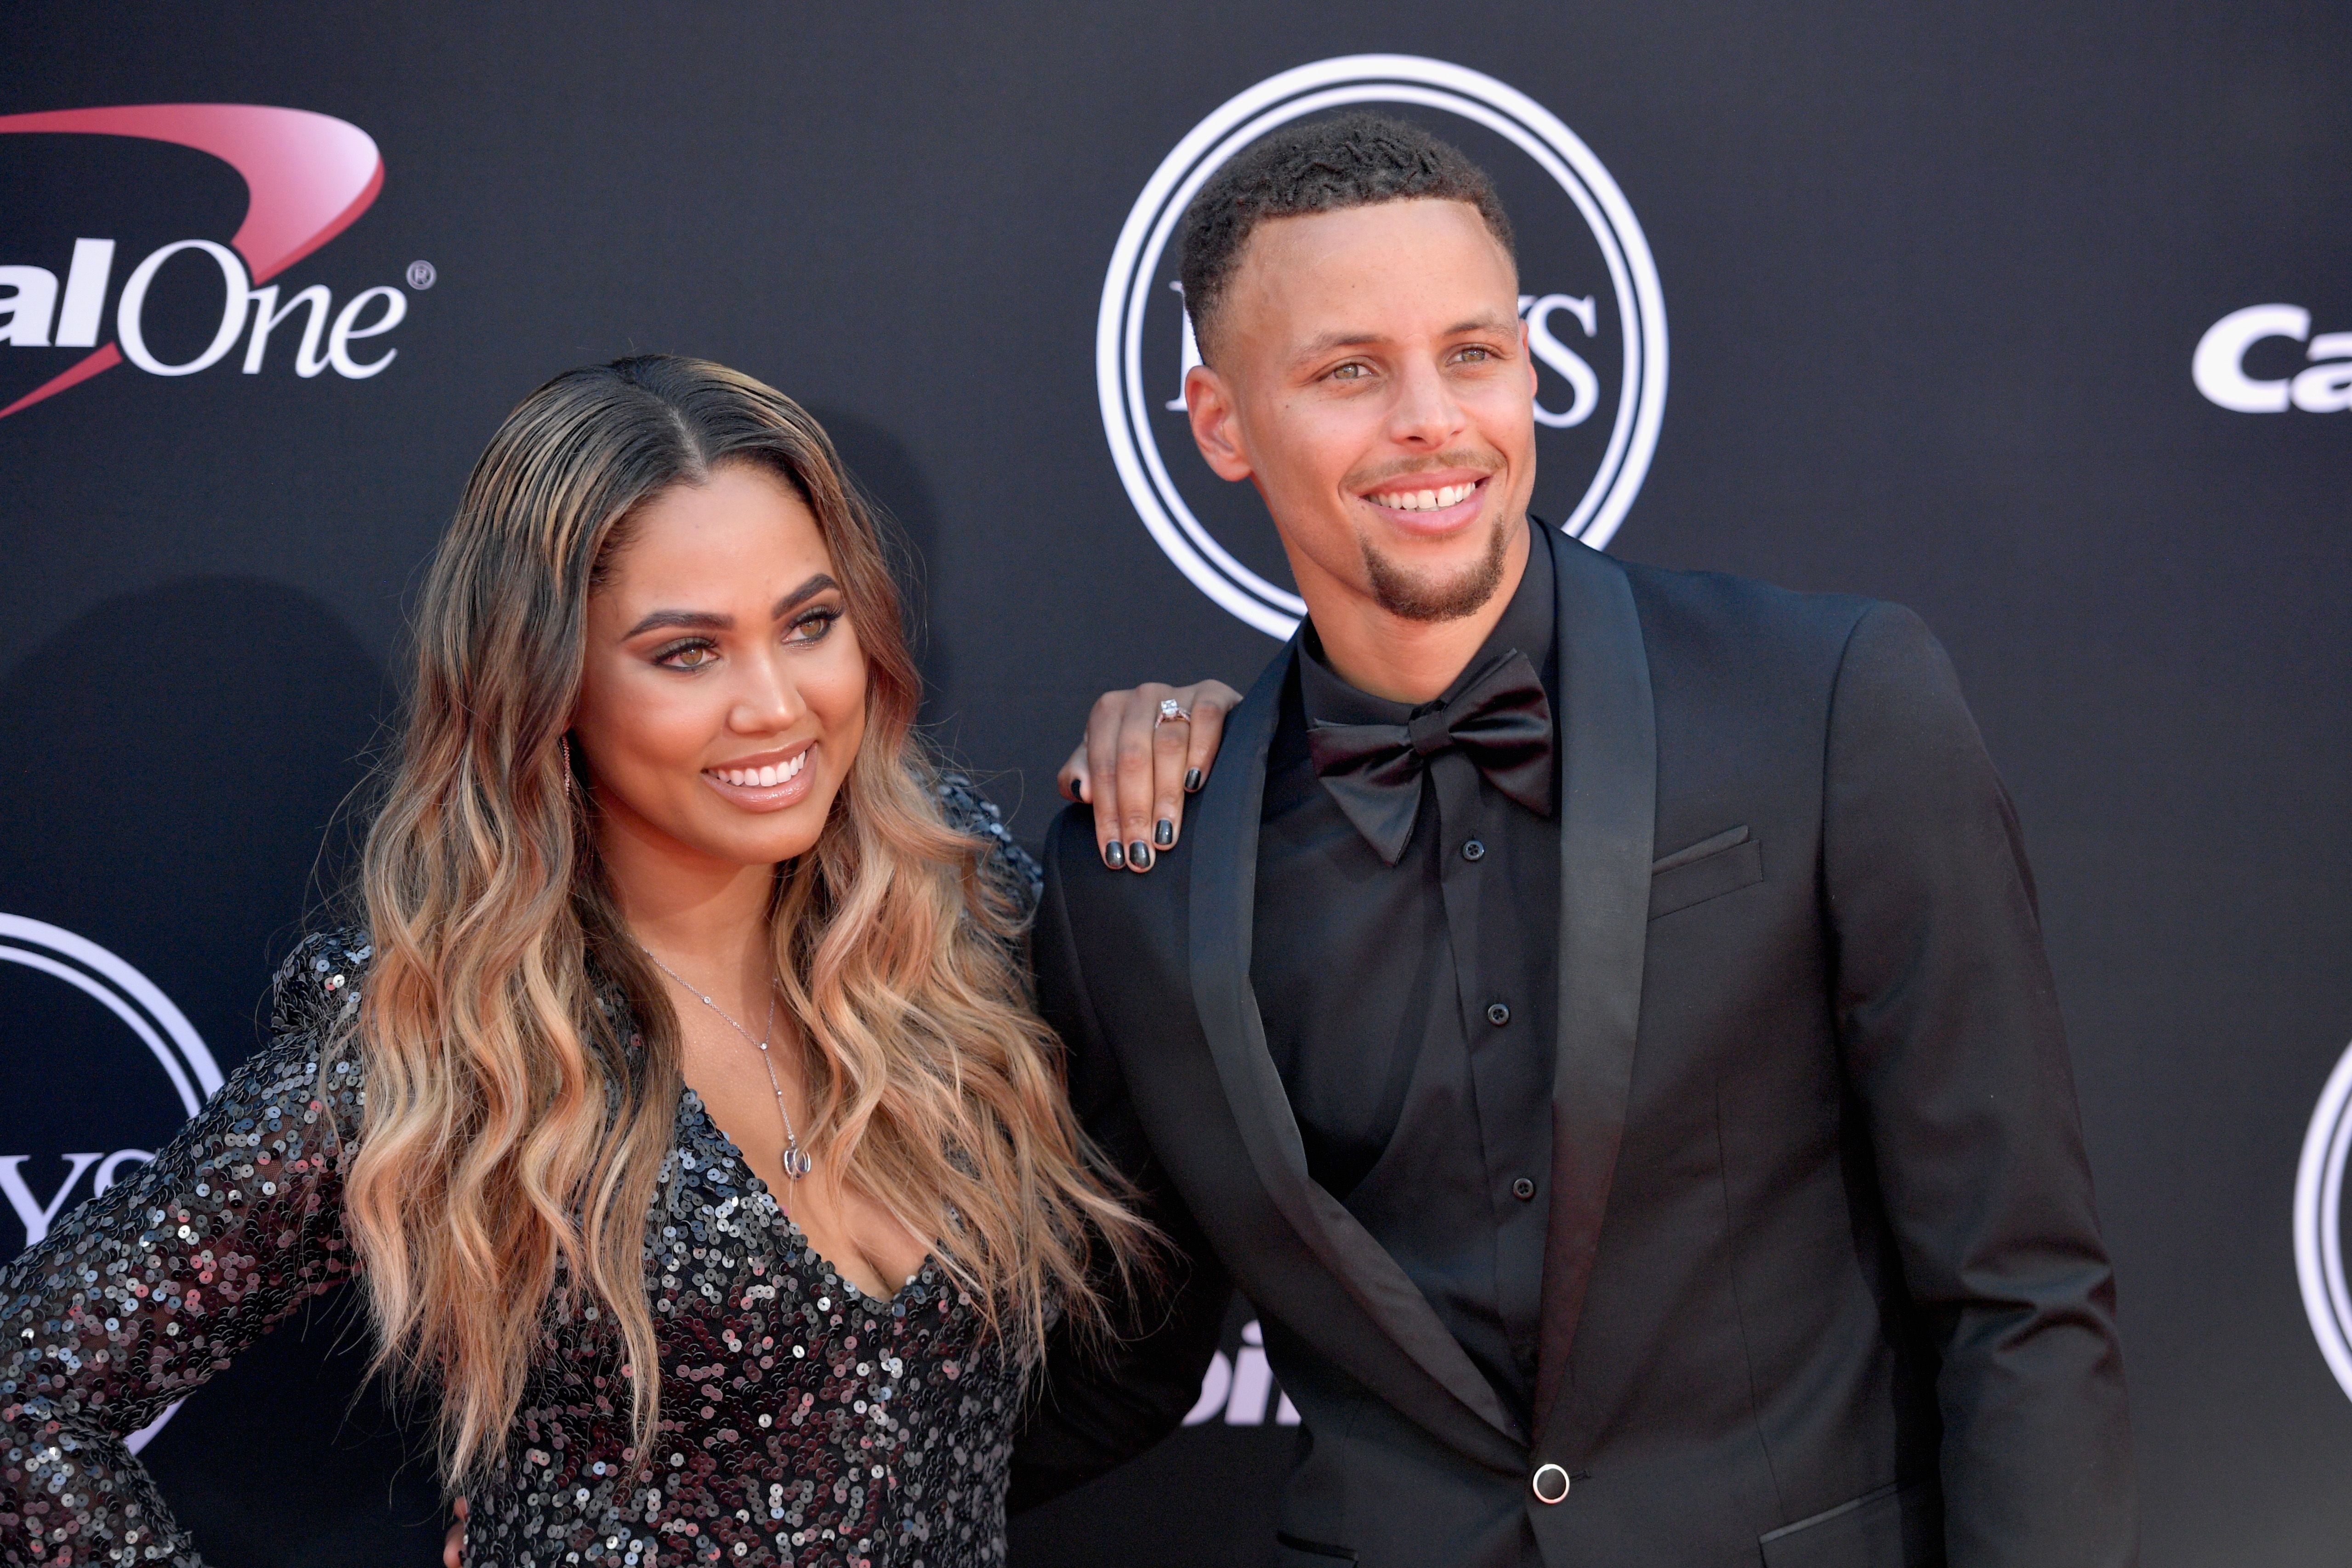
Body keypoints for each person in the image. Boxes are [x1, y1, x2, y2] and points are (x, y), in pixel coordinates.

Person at [1015, 114, 2136, 1567]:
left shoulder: (1831, 705)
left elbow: (2023, 1292)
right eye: (1351, 371)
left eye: (1474, 352)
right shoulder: (1146, 873)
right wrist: (759, 1456)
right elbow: (1122, 1364)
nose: (1431, 418)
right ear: (1220, 421)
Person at [0, 355, 1235, 1568]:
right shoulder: (449, 1032)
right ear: (549, 684)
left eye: (810, 623)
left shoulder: (965, 918)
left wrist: (1213, 739)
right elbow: (27, 1396)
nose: (775, 704)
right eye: (686, 651)